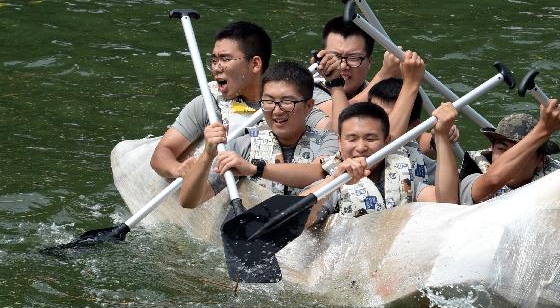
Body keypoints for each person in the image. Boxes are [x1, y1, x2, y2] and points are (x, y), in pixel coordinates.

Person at [151, 21, 326, 179]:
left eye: (225, 59)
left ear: (255, 64)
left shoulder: (292, 102)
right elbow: (162, 153)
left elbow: (332, 131)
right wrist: (179, 170)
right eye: (213, 60)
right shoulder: (209, 104)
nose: (216, 68)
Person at [179, 61, 338, 208]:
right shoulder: (243, 145)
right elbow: (189, 201)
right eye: (268, 101)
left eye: (287, 102)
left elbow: (317, 174)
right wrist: (207, 154)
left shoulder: (329, 139)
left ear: (309, 106)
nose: (276, 110)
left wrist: (254, 169)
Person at [303, 101, 459, 226]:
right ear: (340, 142)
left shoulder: (403, 173)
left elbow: (447, 204)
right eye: (351, 139)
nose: (361, 147)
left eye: (371, 139)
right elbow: (296, 222)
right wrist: (334, 181)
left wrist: (442, 137)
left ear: (387, 142)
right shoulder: (328, 177)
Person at [313, 16, 402, 127]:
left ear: (369, 61)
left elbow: (415, 134)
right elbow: (342, 124)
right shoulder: (307, 88)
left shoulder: (375, 91)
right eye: (335, 56)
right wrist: (384, 75)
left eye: (353, 58)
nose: (343, 65)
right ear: (322, 55)